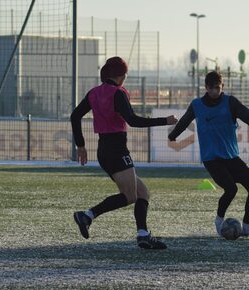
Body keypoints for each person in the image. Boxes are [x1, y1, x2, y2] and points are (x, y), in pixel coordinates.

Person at [71, 56, 177, 249]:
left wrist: (81, 145)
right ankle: (87, 215)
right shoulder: (118, 93)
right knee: (130, 196)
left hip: (105, 149)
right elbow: (133, 121)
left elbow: (75, 116)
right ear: (121, 75)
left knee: (143, 192)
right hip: (117, 150)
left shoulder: (94, 93)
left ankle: (143, 234)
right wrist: (165, 121)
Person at [168, 71, 249, 237]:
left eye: (217, 88)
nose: (214, 91)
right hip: (212, 159)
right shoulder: (197, 105)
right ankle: (219, 220)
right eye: (211, 88)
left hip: (231, 157)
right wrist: (173, 134)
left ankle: (246, 226)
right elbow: (184, 120)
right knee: (231, 189)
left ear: (222, 87)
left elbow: (245, 113)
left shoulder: (230, 102)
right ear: (206, 87)